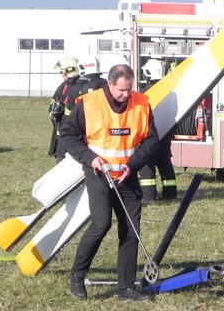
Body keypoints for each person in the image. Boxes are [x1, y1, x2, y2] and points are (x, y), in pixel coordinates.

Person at [60, 64, 158, 301]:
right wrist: (90, 159)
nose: (126, 95)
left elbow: (151, 140)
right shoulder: (88, 103)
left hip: (127, 175)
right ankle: (77, 276)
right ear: (110, 84)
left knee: (131, 230)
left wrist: (132, 165)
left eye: (130, 89)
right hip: (99, 175)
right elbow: (67, 135)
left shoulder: (142, 103)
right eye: (122, 90)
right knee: (101, 224)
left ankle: (126, 287)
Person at [138, 59, 177, 201]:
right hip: (165, 134)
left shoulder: (147, 91)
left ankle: (148, 196)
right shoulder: (170, 90)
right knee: (165, 164)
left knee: (147, 167)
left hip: (150, 135)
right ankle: (170, 193)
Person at [48, 55, 79, 160]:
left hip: (72, 134)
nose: (61, 74)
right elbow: (54, 103)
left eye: (63, 71)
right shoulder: (63, 85)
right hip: (61, 133)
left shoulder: (79, 86)